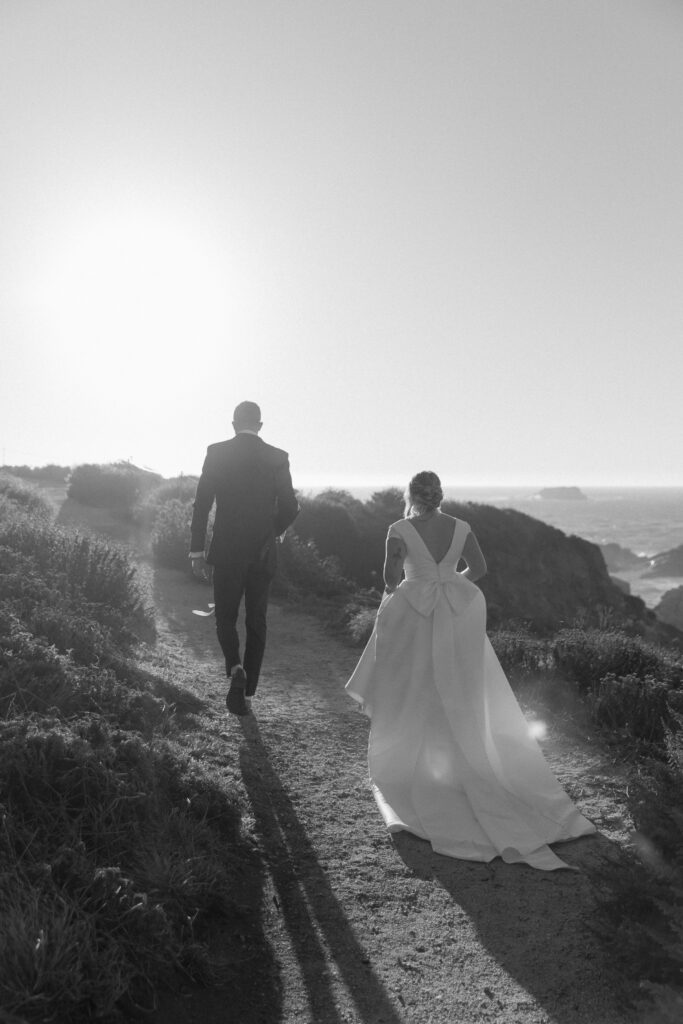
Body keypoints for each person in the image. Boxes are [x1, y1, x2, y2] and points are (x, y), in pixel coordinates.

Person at [346, 470, 595, 871]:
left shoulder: (399, 528)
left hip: (414, 614)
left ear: (411, 495)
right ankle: (466, 759)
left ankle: (420, 764)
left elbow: (392, 580)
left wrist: (414, 576)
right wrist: (448, 581)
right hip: (457, 612)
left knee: (414, 687)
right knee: (459, 686)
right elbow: (478, 569)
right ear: (440, 495)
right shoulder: (462, 527)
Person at [190, 401, 299, 716]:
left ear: (234, 423)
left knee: (224, 616)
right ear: (260, 425)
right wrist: (272, 531)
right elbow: (291, 506)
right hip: (263, 553)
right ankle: (248, 694)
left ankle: (235, 667)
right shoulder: (278, 457)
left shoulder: (217, 452)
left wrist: (197, 550)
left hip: (226, 550)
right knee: (256, 621)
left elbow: (201, 504)